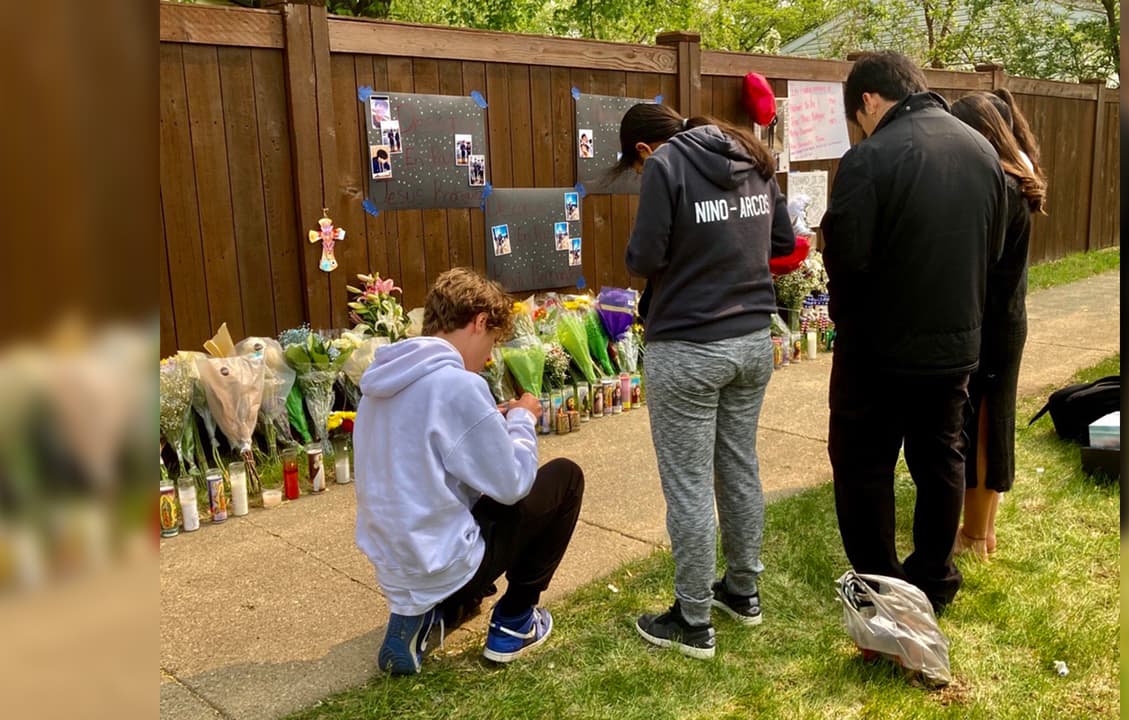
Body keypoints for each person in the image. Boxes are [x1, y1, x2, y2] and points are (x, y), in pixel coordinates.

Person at [820, 51, 1006, 614]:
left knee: (863, 464)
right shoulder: (983, 151)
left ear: (870, 101)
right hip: (956, 346)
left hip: (877, 351)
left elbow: (845, 261)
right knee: (940, 457)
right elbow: (993, 253)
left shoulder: (869, 159)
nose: (860, 126)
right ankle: (933, 575)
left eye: (858, 116)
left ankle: (880, 583)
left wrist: (849, 324)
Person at [614, 102, 795, 659]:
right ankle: (742, 591)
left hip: (688, 345)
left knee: (689, 484)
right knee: (739, 465)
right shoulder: (756, 157)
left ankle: (693, 620)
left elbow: (643, 256)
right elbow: (784, 244)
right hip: (751, 340)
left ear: (645, 150)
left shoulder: (667, 166)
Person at [355, 268, 585, 673]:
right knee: (565, 478)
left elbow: (426, 460)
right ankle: (515, 622)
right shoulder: (456, 385)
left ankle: (430, 614)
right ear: (479, 322)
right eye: (493, 341)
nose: (491, 356)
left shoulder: (380, 385)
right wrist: (521, 421)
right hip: (440, 561)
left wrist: (489, 424)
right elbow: (513, 483)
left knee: (479, 502)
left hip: (396, 563)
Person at [949, 90, 1048, 560]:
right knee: (992, 421)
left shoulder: (1002, 187)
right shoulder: (1015, 175)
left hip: (992, 322)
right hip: (1007, 318)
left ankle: (973, 535)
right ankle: (983, 531)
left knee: (984, 427)